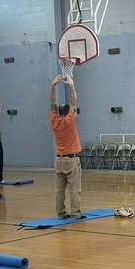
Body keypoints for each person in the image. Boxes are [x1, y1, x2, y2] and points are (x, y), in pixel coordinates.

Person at [49, 75, 82, 218]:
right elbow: (74, 102)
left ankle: (61, 213)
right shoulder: (70, 120)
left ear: (57, 112)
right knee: (74, 189)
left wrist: (53, 86)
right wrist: (72, 86)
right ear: (68, 112)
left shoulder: (54, 120)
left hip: (58, 160)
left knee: (59, 190)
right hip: (71, 160)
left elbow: (52, 103)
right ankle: (75, 213)